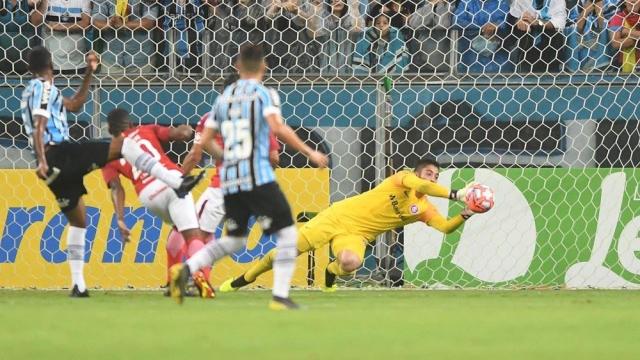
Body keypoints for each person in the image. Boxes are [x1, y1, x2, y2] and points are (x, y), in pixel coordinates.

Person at [19, 46, 202, 297]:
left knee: (78, 220)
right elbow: (40, 124)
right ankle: (175, 180)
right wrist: (41, 160)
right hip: (58, 154)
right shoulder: (44, 87)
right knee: (125, 145)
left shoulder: (30, 91)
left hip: (54, 170)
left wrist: (88, 74)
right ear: (51, 64)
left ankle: (78, 285)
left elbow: (74, 105)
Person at [169, 43, 328, 310]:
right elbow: (278, 127)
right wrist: (309, 151)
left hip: (230, 180)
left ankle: (186, 269)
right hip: (258, 176)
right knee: (289, 234)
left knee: (235, 239)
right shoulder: (264, 94)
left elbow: (205, 140)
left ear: (238, 66)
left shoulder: (222, 100)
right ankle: (279, 296)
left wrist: (228, 156)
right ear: (264, 67)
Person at [219, 158, 489, 293]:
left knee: (350, 262)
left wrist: (465, 213)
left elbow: (443, 227)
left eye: (437, 175)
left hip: (358, 234)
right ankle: (244, 279)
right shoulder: (403, 179)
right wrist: (456, 194)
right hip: (336, 217)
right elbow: (421, 185)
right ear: (417, 172)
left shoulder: (424, 208)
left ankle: (330, 272)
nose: (432, 178)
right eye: (429, 173)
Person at [101, 109, 214, 298]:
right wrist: (187, 129)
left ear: (110, 130)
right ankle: (201, 279)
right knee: (193, 235)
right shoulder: (147, 129)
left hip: (148, 195)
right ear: (130, 123)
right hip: (172, 182)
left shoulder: (110, 152)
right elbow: (181, 134)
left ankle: (173, 284)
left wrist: (120, 218)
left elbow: (116, 188)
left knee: (178, 229)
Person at [609, 0, 640, 72]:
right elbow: (616, 43)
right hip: (623, 65)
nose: (632, 1)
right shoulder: (618, 17)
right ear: (625, 2)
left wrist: (624, 31)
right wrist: (637, 39)